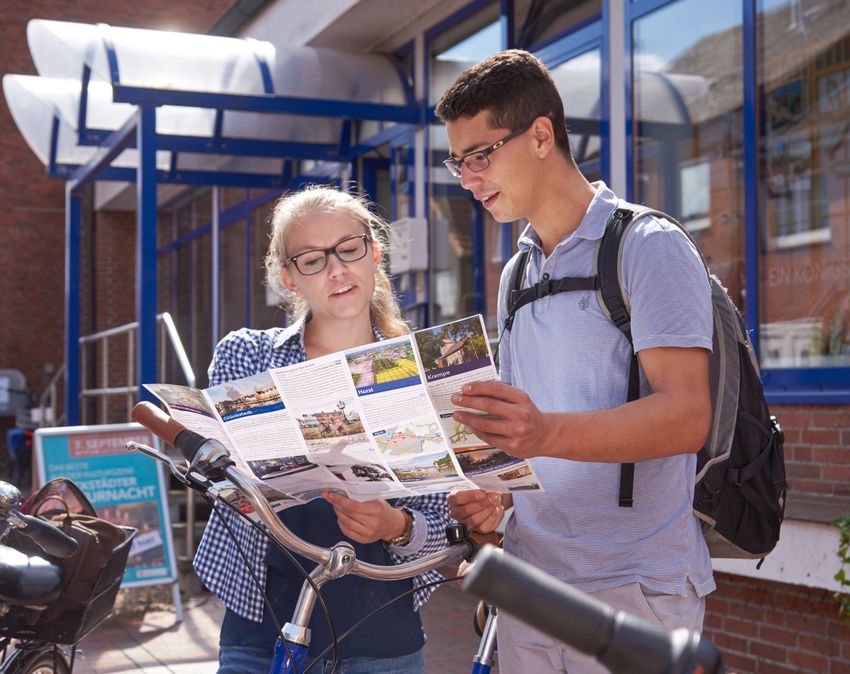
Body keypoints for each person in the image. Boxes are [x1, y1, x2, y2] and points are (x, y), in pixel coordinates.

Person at [436, 50, 716, 673]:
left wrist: (543, 432)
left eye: (480, 155)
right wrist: (495, 497)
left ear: (541, 135)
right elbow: (531, 434)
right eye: (458, 162)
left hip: (634, 588)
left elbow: (687, 413)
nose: (468, 178)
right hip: (530, 583)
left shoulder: (648, 246)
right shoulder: (517, 273)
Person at [193, 185, 451, 674]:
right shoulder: (248, 356)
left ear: (374, 254)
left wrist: (393, 526)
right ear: (289, 279)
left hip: (382, 633)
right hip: (261, 624)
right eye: (312, 259)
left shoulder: (415, 369)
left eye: (349, 249)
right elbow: (222, 486)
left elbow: (433, 526)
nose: (337, 270)